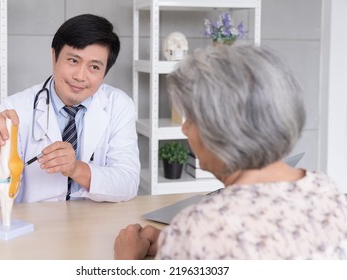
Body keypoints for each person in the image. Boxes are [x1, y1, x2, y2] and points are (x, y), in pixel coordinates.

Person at [114, 45, 347, 259]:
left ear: (219, 128)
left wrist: (127, 262)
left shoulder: (201, 228)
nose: (185, 128)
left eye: (191, 118)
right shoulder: (329, 192)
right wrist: (172, 242)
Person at [0, 14, 140, 204]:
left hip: (95, 222)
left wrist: (75, 168)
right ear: (54, 56)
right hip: (37, 224)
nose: (80, 76)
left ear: (105, 72)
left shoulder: (118, 105)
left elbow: (128, 183)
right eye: (73, 61)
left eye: (94, 67)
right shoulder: (16, 108)